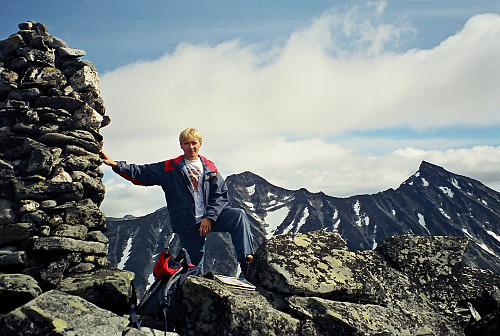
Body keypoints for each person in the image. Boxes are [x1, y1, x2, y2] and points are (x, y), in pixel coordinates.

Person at [99, 127, 254, 277]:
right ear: (181, 145)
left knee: (238, 216)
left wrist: (209, 217)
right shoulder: (170, 167)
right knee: (193, 268)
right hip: (187, 223)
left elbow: (220, 194)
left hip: (209, 219)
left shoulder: (210, 167)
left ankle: (247, 261)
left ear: (200, 143)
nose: (191, 147)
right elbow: (142, 172)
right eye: (186, 143)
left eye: (194, 143)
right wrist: (116, 165)